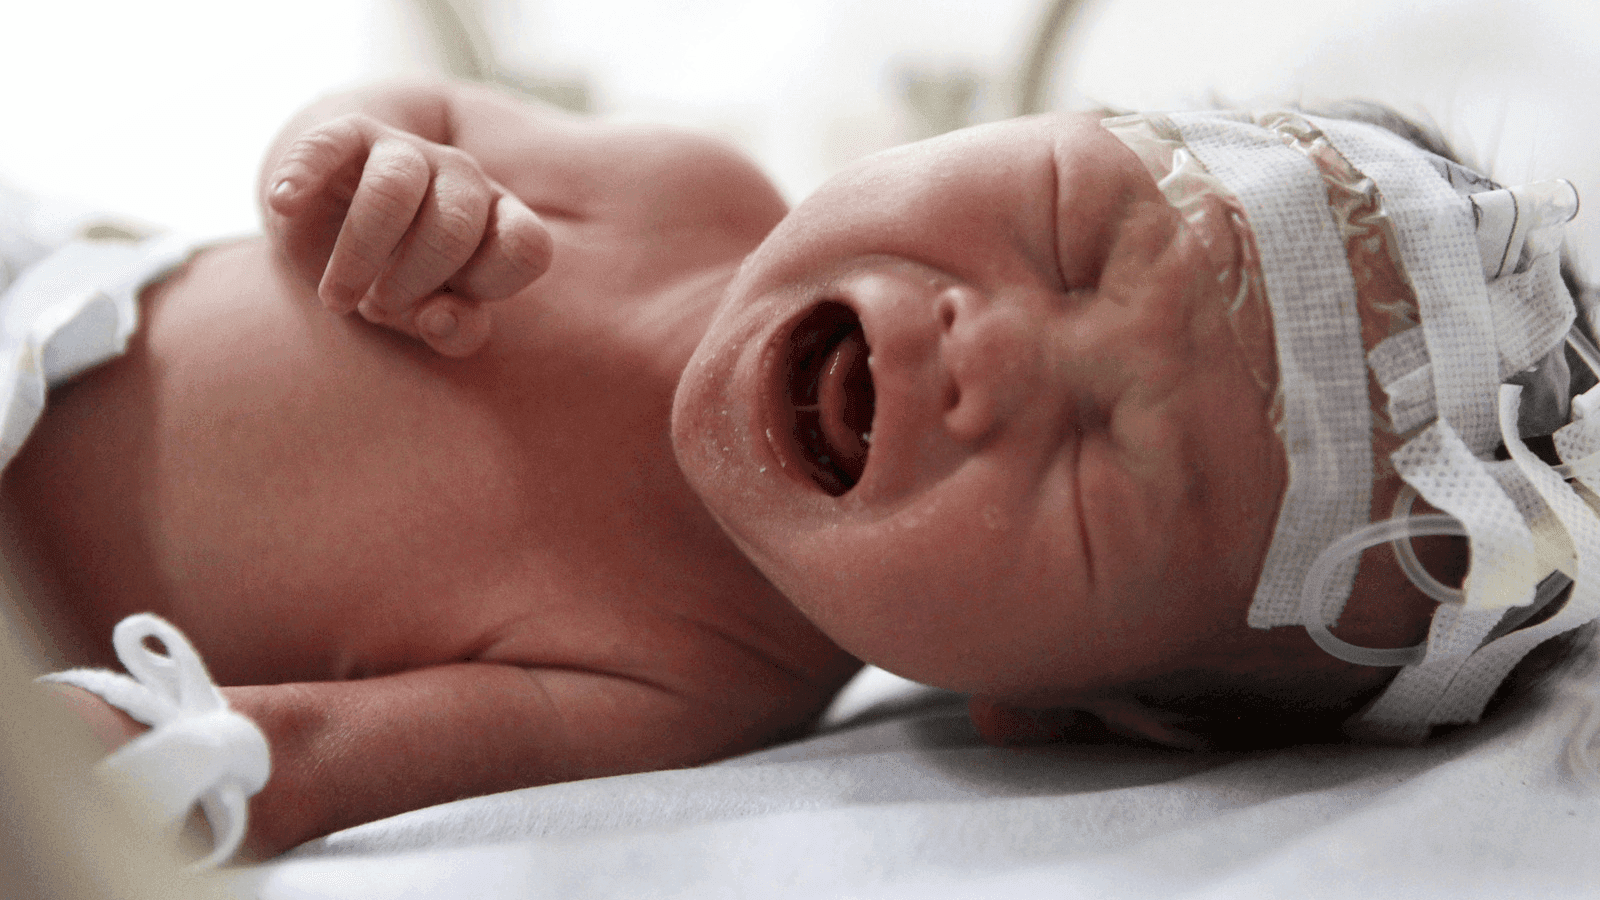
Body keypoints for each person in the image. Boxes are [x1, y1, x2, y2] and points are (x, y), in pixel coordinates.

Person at [2, 78, 1587, 861]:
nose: (995, 355)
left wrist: (91, 755)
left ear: (1066, 708)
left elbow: (284, 754)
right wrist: (359, 173)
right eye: (1062, 227)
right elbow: (399, 111)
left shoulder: (694, 679)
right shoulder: (681, 194)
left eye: (1110, 462)